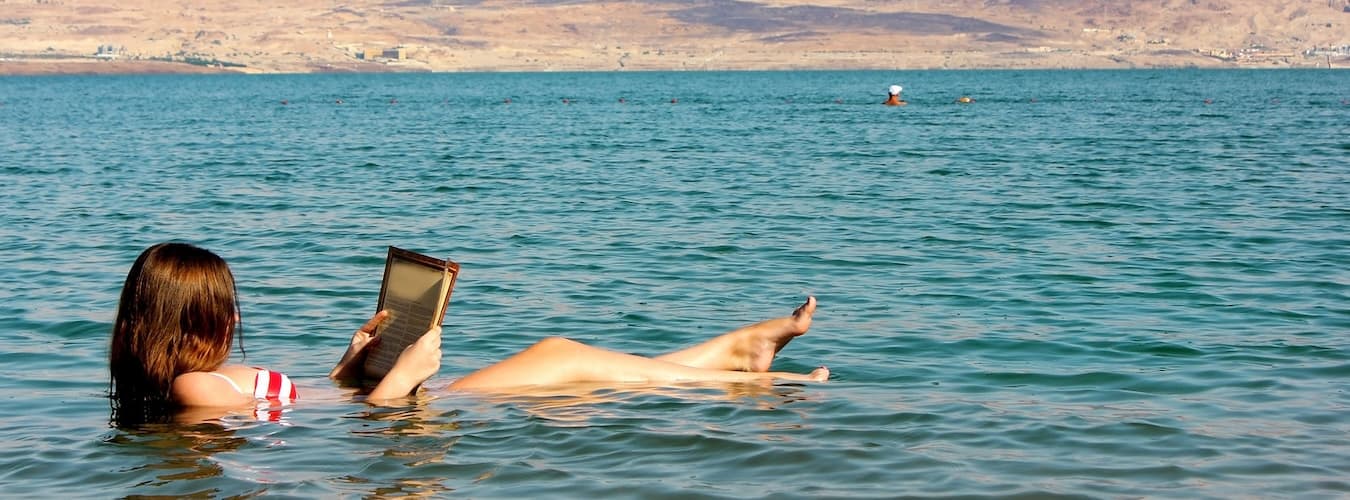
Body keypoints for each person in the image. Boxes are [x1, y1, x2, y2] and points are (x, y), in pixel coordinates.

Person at [110, 243, 828, 424]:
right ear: (191, 317)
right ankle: (739, 362)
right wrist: (405, 371)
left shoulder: (194, 384)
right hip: (405, 413)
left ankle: (739, 360)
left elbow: (307, 409)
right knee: (565, 358)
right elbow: (363, 417)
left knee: (571, 363)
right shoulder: (194, 386)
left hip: (387, 406)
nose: (236, 317)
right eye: (223, 306)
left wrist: (348, 361)